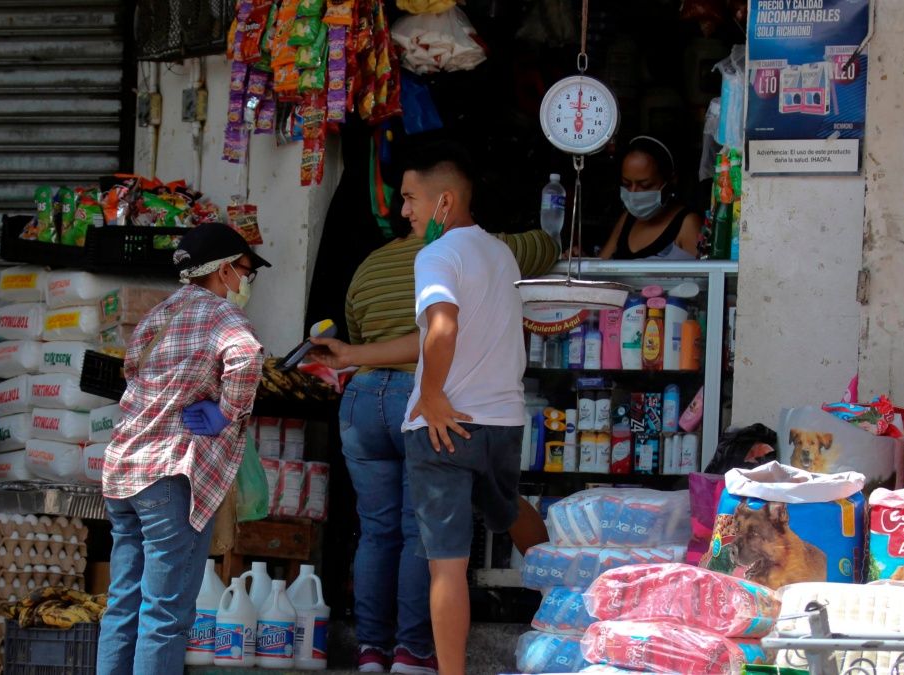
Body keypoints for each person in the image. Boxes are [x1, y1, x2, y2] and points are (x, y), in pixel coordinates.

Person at [312, 194, 558, 672]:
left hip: (443, 425)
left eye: (408, 197)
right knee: (508, 508)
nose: (403, 211)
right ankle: (571, 598)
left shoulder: (436, 254)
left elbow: (441, 329)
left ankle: (414, 660)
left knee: (437, 556)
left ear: (444, 200)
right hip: (500, 420)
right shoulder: (500, 252)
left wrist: (429, 396)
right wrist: (349, 355)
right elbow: (431, 337)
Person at [98, 222, 270, 675]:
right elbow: (248, 357)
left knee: (123, 606)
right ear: (225, 272)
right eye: (246, 272)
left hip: (123, 474)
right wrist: (227, 412)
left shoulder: (159, 315)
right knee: (165, 616)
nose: (247, 283)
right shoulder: (222, 315)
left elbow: (131, 371)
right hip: (170, 478)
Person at [599, 135, 702, 260]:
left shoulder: (687, 224)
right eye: (626, 184)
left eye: (645, 185)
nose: (633, 193)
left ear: (671, 180)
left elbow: (702, 276)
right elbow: (600, 267)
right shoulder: (628, 219)